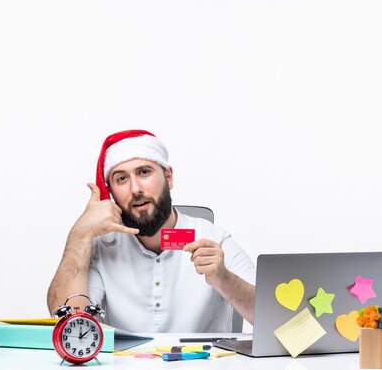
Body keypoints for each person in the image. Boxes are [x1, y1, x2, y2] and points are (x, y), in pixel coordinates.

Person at [47, 129, 255, 332]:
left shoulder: (213, 238)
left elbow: (274, 321)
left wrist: (224, 278)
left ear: (169, 177)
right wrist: (80, 233)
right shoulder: (104, 247)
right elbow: (68, 323)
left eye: (144, 172)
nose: (135, 189)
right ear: (111, 193)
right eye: (121, 179)